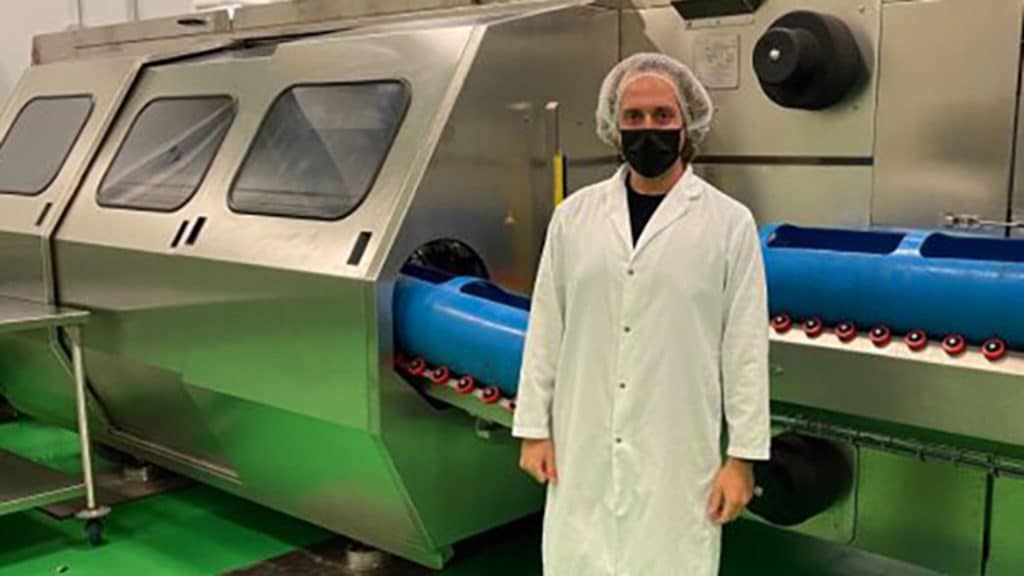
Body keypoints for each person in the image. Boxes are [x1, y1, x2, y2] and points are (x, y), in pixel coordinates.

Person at [511, 52, 771, 576]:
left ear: (686, 125)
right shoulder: (574, 217)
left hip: (678, 448)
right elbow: (546, 327)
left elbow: (744, 348)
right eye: (633, 116)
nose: (647, 128)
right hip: (582, 441)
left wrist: (742, 457)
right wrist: (534, 428)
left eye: (662, 115)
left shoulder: (729, 224)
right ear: (614, 127)